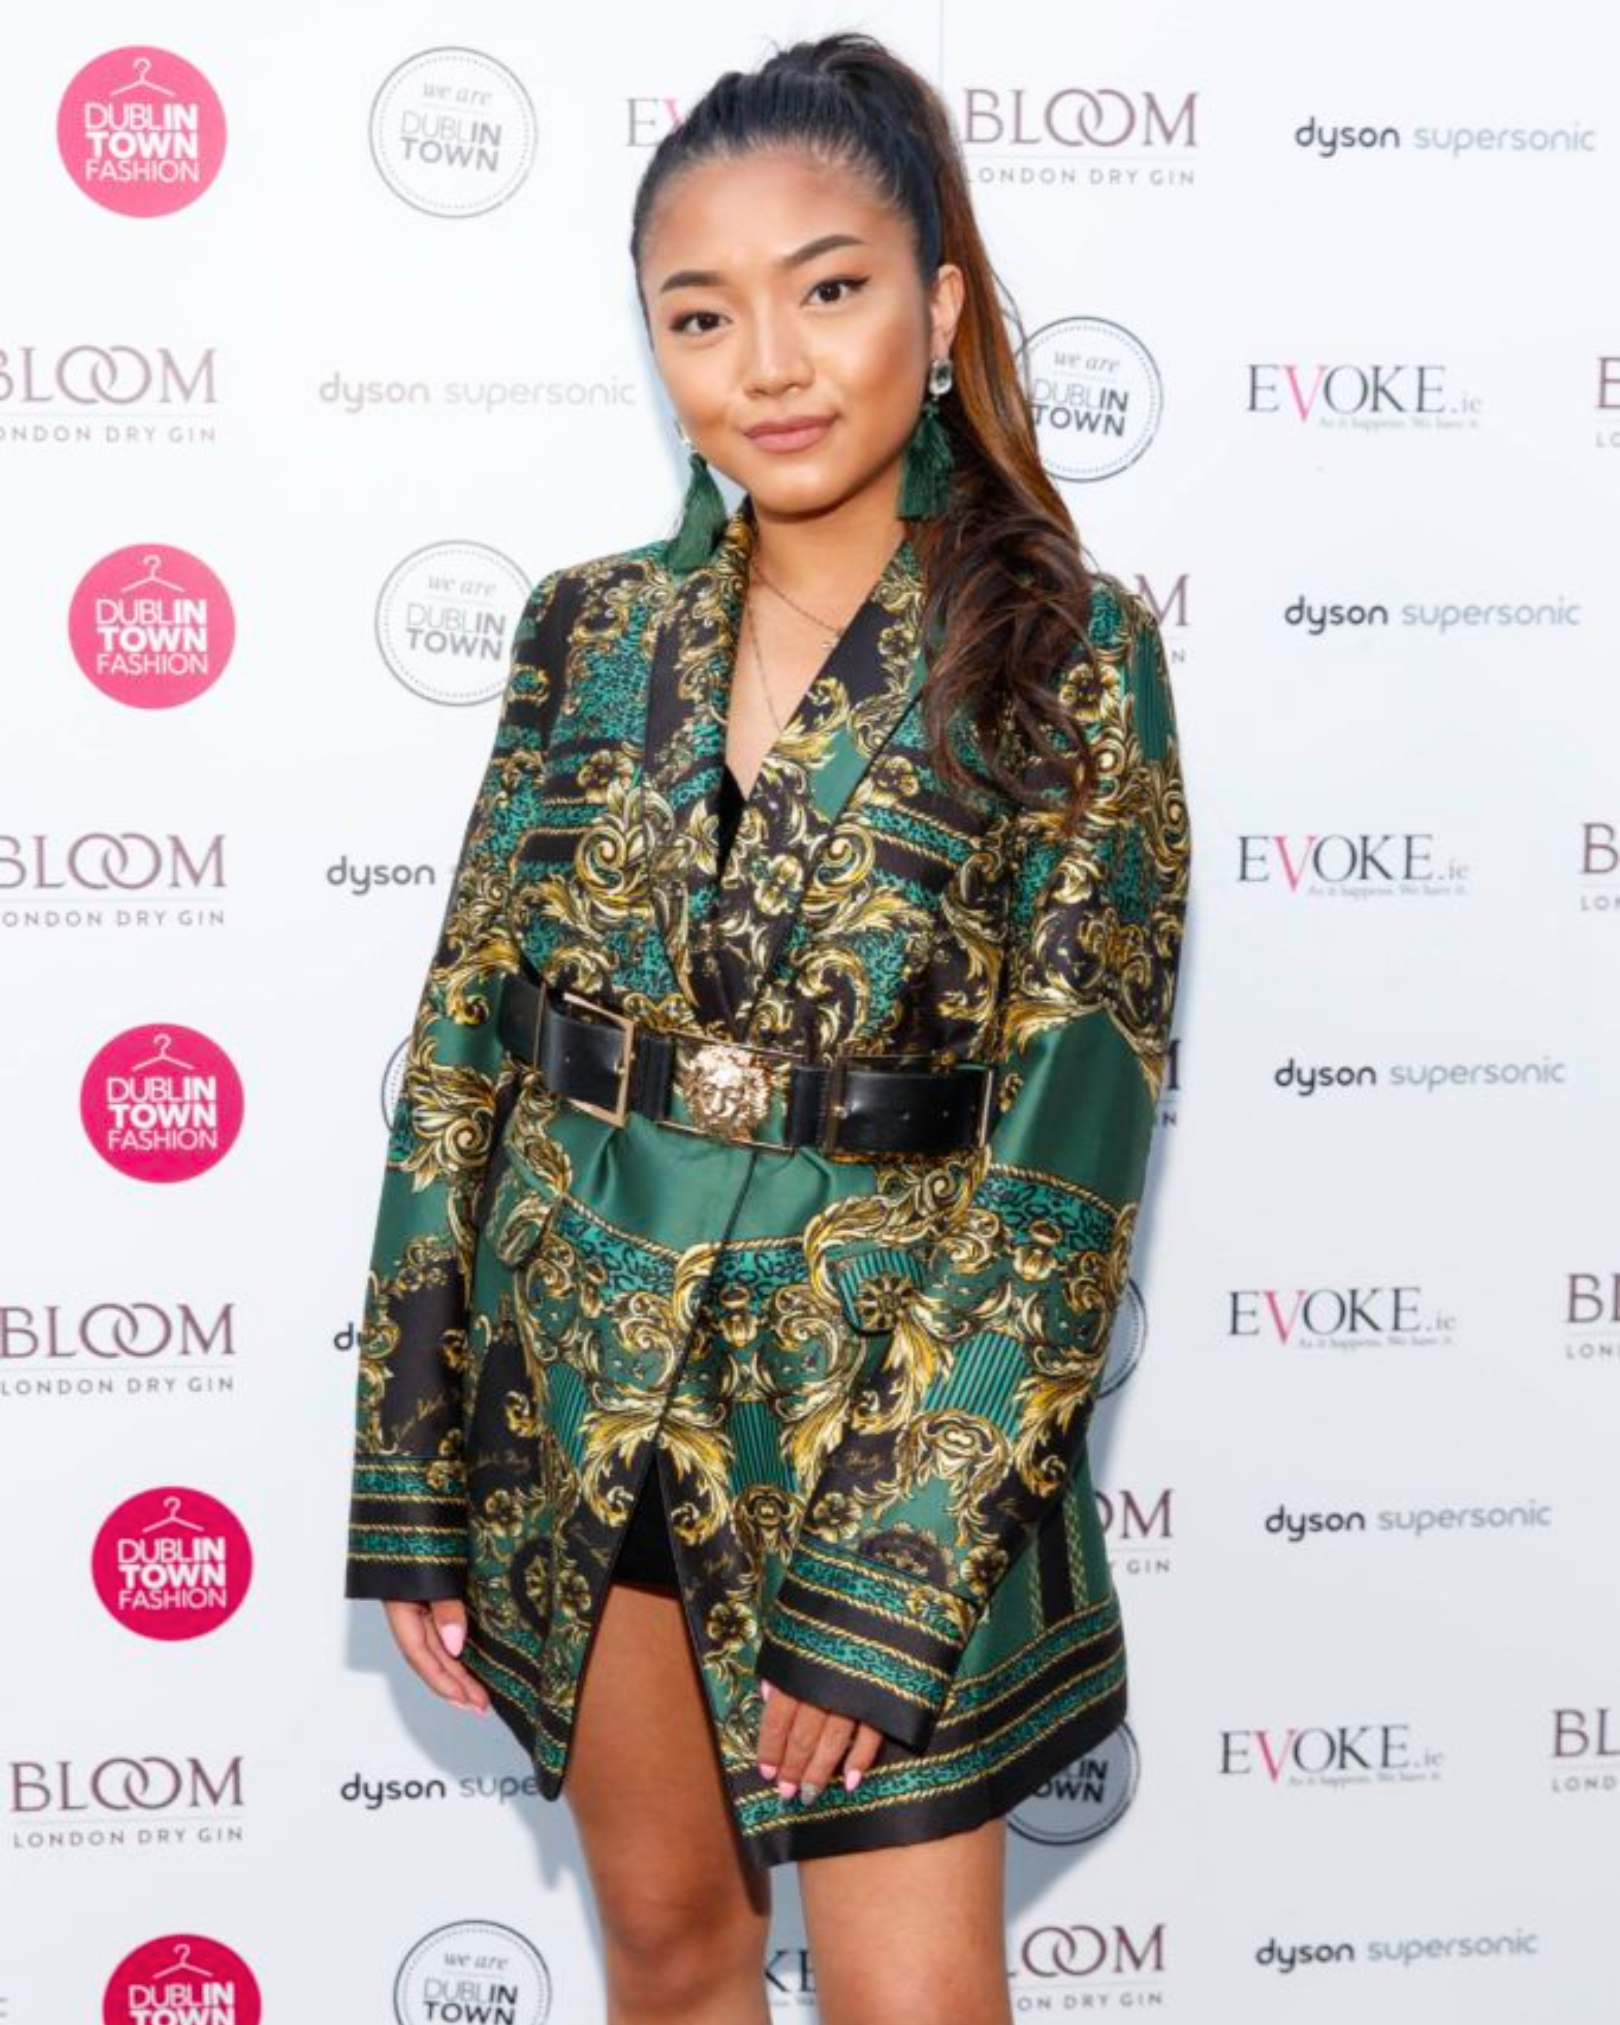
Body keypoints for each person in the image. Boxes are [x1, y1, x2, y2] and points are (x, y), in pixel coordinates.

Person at [343, 29, 1190, 2025]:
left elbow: (1070, 1144)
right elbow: (467, 1039)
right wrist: (411, 1469)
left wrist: (898, 1565)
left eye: (832, 288)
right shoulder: (587, 631)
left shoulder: (1068, 653)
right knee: (671, 1952)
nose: (774, 363)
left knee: (910, 1999)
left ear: (941, 301)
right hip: (585, 1379)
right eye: (702, 315)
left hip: (894, 1395)